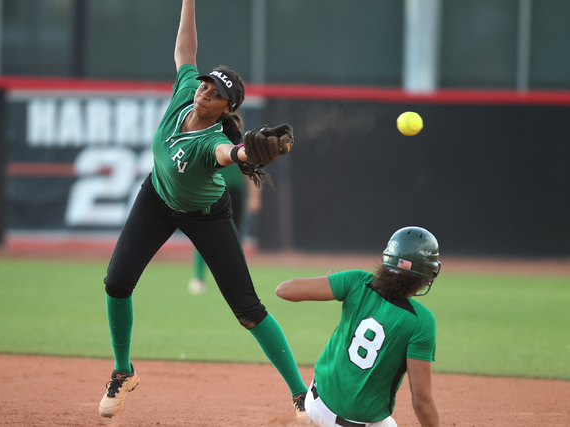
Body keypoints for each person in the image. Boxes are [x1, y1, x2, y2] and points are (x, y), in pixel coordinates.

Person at [98, 0, 308, 420]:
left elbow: (231, 152)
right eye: (206, 87)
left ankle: (302, 394)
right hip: (156, 198)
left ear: (227, 109)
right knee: (117, 283)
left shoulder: (210, 141)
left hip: (206, 215)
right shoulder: (185, 94)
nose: (204, 95)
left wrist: (252, 150)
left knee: (247, 309)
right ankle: (124, 372)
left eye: (216, 96)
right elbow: (185, 51)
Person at [275, 226, 442, 427]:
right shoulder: (422, 320)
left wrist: (333, 281)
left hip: (314, 403)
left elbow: (283, 290)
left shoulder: (357, 281)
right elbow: (421, 401)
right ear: (426, 275)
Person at [188, 164, 261, 294]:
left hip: (234, 192)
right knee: (203, 233)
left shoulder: (240, 143)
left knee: (235, 235)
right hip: (210, 189)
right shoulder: (207, 142)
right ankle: (199, 278)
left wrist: (254, 196)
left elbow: (250, 167)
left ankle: (236, 279)